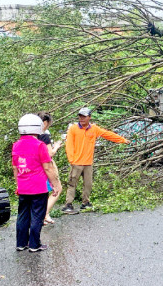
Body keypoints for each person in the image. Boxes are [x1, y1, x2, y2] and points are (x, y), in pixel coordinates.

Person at [61, 107, 129, 214]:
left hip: (88, 163)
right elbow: (69, 145)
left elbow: (107, 134)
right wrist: (72, 160)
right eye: (80, 116)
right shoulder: (73, 129)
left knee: (88, 184)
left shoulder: (94, 128)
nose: (81, 119)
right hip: (76, 162)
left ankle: (85, 203)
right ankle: (68, 205)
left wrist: (122, 140)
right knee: (72, 183)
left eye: (84, 116)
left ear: (89, 117)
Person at [12, 114, 62, 252]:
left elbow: (15, 167)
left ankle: (21, 243)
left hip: (23, 186)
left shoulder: (16, 145)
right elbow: (47, 167)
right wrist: (55, 184)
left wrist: (18, 184)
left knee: (23, 215)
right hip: (38, 187)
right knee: (37, 216)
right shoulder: (39, 145)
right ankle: (34, 244)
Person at [37, 112, 63, 224]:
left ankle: (44, 215)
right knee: (57, 188)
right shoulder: (44, 135)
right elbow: (49, 154)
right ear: (45, 122)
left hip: (36, 166)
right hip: (47, 165)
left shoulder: (33, 135)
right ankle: (44, 214)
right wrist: (56, 146)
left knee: (44, 191)